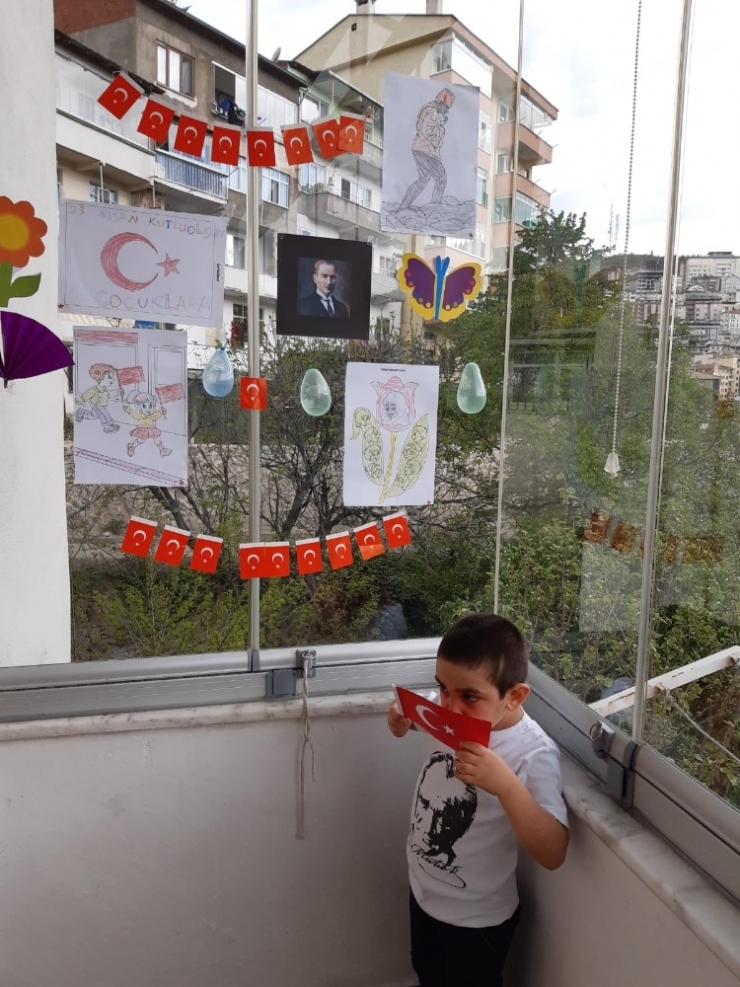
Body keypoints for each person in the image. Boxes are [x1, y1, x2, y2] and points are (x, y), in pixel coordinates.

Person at [387, 612, 569, 987]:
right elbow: (417, 710)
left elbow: (553, 852)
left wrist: (506, 786)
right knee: (426, 972)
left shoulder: (532, 752)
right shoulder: (451, 708)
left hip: (477, 922)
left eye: (470, 695)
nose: (451, 708)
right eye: (443, 689)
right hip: (423, 893)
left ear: (514, 695)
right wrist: (400, 720)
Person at [397, 88, 455, 212]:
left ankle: (403, 206)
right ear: (441, 103)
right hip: (427, 151)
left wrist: (440, 122)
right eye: (447, 107)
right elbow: (426, 130)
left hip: (419, 149)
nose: (447, 111)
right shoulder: (432, 112)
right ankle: (435, 206)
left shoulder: (429, 110)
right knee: (441, 178)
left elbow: (424, 127)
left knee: (423, 180)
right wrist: (437, 142)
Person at [75, 363, 122, 433]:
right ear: (100, 377)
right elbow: (87, 394)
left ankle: (83, 413)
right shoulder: (95, 389)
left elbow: (109, 394)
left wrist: (118, 393)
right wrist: (82, 400)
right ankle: (108, 425)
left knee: (94, 415)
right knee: (103, 414)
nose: (113, 380)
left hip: (101, 404)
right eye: (110, 377)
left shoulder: (105, 389)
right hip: (96, 405)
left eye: (112, 377)